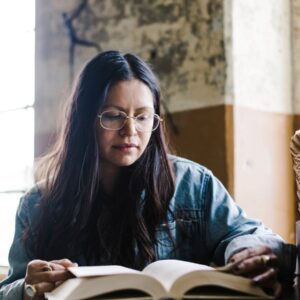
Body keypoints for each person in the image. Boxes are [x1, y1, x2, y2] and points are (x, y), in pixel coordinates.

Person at [0, 51, 295, 299]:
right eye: (113, 115)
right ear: (84, 120)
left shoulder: (193, 184)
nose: (131, 131)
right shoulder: (38, 203)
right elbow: (9, 288)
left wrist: (247, 251)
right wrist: (27, 289)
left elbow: (251, 234)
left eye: (142, 116)